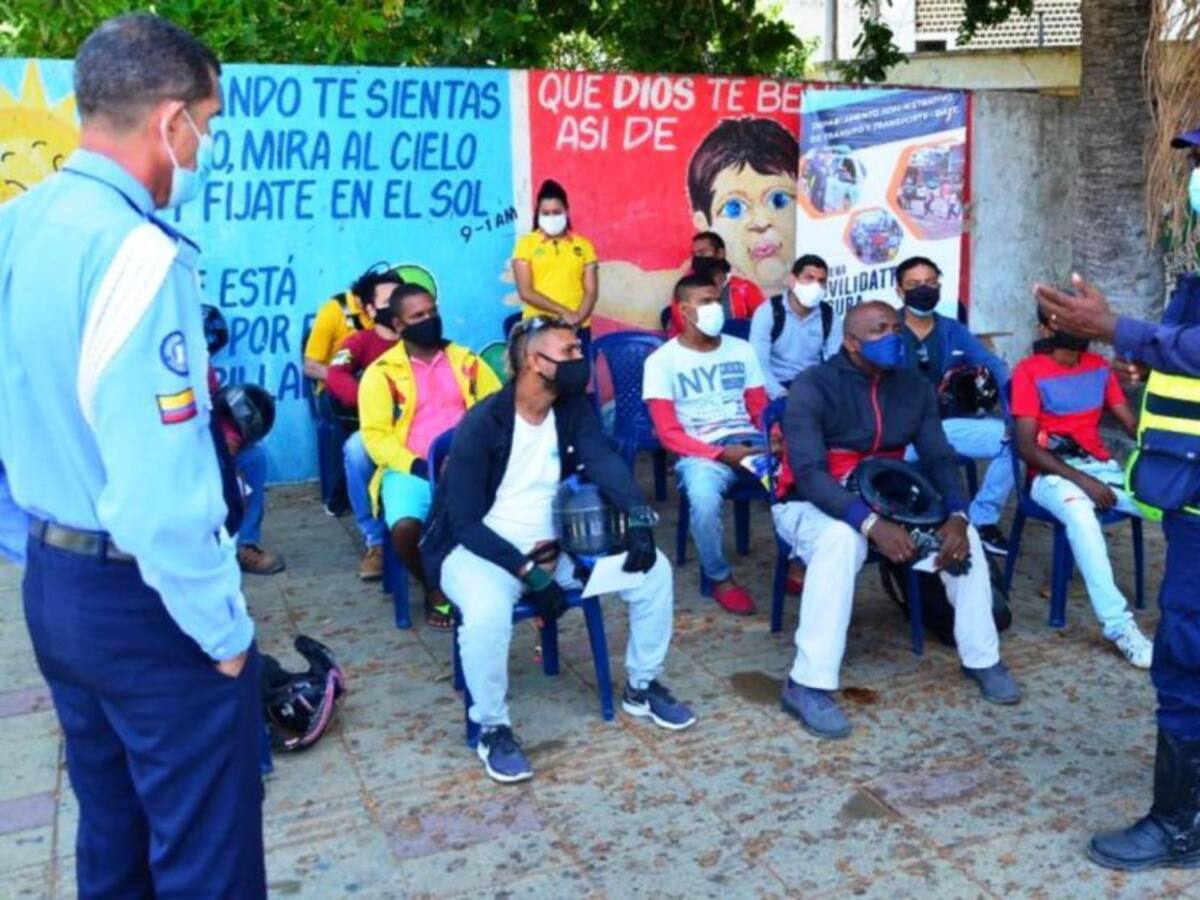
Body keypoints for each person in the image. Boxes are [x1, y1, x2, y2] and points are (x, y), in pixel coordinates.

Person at [0, 14, 265, 897]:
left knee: (113, 840)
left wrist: (37, 546)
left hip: (57, 586)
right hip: (148, 603)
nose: (207, 146)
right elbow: (160, 498)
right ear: (170, 120)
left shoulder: (18, 226)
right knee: (205, 860)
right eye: (209, 124)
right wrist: (224, 634)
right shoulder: (140, 256)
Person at [422, 316, 695, 783]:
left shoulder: (571, 408)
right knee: (485, 616)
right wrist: (527, 571)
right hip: (482, 555)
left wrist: (637, 516)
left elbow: (603, 460)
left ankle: (642, 685)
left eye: (579, 350)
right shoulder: (482, 424)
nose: (580, 359)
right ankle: (492, 728)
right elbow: (464, 524)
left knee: (654, 571)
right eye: (569, 352)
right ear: (534, 361)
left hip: (562, 549)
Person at [1035, 124, 1200, 872]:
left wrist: (1118, 330)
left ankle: (1180, 827)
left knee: (1185, 659)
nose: (1194, 177)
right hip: (1188, 495)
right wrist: (1150, 366)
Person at [772, 301, 1020, 739]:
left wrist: (957, 514)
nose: (893, 337)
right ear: (852, 342)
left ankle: (983, 659)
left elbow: (938, 457)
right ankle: (807, 684)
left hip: (889, 493)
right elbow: (808, 474)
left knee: (963, 540)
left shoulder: (913, 386)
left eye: (896, 328)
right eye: (879, 330)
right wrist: (869, 525)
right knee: (840, 541)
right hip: (810, 502)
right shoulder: (814, 385)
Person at [1010, 308, 1153, 667]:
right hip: (1052, 476)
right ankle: (1119, 627)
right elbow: (1026, 446)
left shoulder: (1099, 367)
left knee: (1179, 504)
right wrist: (1082, 481)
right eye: (1064, 321)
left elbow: (1131, 424)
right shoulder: (1029, 371)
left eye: (1080, 320)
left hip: (1102, 470)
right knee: (1082, 517)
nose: (1077, 328)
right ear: (1045, 328)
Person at [359, 284, 501, 628]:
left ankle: (489, 585)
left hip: (469, 466)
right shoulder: (381, 373)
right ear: (398, 324)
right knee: (405, 528)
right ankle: (434, 587)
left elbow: (498, 410)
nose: (430, 320)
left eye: (433, 311)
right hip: (412, 468)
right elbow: (375, 437)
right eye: (418, 316)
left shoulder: (467, 362)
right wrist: (419, 465)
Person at [644, 274, 769, 616]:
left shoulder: (741, 349)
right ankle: (719, 577)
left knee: (804, 477)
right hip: (701, 451)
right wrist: (719, 454)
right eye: (706, 302)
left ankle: (799, 566)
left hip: (750, 442)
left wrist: (775, 438)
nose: (717, 308)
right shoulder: (661, 362)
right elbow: (668, 434)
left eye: (718, 301)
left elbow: (759, 409)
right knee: (703, 499)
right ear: (684, 310)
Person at [895, 256, 1014, 557]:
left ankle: (982, 521)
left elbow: (996, 367)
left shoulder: (953, 330)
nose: (924, 289)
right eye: (914, 284)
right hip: (897, 435)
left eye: (930, 282)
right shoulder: (887, 328)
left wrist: (1013, 413)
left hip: (944, 427)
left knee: (1016, 441)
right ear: (899, 291)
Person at [326, 276, 403, 581]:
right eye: (388, 301)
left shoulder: (420, 336)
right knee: (355, 449)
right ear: (371, 310)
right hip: (379, 428)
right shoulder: (359, 342)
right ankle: (376, 541)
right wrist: (368, 400)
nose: (397, 305)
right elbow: (335, 375)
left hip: (420, 425)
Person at [687, 117, 798, 297]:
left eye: (779, 199)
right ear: (705, 225)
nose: (761, 223)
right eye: (734, 208)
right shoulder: (702, 300)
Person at [511, 179, 599, 354]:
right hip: (539, 327)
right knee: (542, 371)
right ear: (538, 214)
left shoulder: (584, 246)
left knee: (576, 371)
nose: (551, 217)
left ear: (566, 211)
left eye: (556, 212)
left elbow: (591, 291)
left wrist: (578, 319)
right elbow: (525, 291)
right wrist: (564, 313)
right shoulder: (526, 244)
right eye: (546, 213)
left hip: (578, 327)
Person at [749, 253, 843, 399]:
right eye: (809, 278)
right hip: (776, 386)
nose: (816, 286)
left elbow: (835, 361)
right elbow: (759, 364)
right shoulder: (769, 312)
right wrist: (781, 394)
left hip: (812, 387)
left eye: (821, 281)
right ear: (792, 281)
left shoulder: (829, 315)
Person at [302, 266, 398, 385]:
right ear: (367, 305)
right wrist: (345, 381)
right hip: (338, 386)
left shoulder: (390, 314)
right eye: (386, 301)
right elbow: (310, 367)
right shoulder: (333, 310)